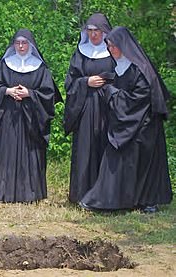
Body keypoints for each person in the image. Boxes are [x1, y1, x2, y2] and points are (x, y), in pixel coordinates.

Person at [79, 27, 172, 213]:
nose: (111, 50)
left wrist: (112, 93)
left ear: (124, 45)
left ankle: (147, 201)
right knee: (118, 157)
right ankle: (109, 200)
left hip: (144, 125)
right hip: (127, 122)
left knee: (141, 162)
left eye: (114, 46)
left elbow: (142, 96)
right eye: (109, 46)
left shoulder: (141, 68)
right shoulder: (117, 66)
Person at [0, 29, 61, 203]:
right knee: (5, 152)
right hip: (8, 118)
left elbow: (49, 94)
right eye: (17, 43)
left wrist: (30, 94)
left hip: (31, 120)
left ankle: (30, 193)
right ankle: (1, 191)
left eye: (24, 43)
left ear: (31, 45)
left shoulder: (40, 68)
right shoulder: (5, 64)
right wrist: (7, 91)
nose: (21, 46)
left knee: (30, 154)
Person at [63, 13, 115, 203]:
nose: (93, 35)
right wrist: (86, 82)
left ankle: (105, 196)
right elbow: (70, 83)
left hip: (107, 108)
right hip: (85, 108)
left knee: (106, 147)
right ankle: (82, 195)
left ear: (105, 32)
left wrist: (106, 83)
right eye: (90, 31)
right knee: (85, 149)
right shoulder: (80, 52)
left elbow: (121, 77)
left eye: (97, 31)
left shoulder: (113, 51)